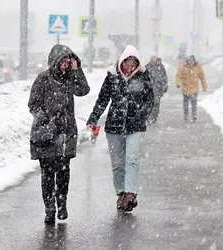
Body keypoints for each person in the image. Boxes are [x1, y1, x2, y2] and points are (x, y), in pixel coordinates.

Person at [86, 45, 154, 212]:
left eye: (133, 64)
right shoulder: (112, 77)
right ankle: (121, 193)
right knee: (117, 164)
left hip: (135, 126)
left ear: (137, 64)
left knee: (131, 160)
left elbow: (151, 100)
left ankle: (131, 193)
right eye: (127, 64)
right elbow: (102, 100)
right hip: (114, 127)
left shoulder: (143, 77)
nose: (130, 68)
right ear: (121, 62)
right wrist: (93, 119)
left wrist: (141, 114)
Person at [28, 44, 90, 224]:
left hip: (66, 132)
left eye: (67, 61)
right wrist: (45, 120)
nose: (64, 65)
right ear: (54, 61)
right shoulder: (43, 79)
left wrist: (77, 70)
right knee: (47, 174)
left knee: (63, 172)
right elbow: (33, 104)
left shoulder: (70, 79)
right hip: (46, 134)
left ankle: (62, 203)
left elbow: (84, 90)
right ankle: (49, 208)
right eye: (62, 61)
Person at [175, 55, 207, 122]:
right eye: (189, 61)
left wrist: (204, 86)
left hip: (194, 89)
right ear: (187, 61)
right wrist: (178, 83)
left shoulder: (198, 68)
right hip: (185, 89)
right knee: (185, 104)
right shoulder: (183, 67)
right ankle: (186, 115)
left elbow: (202, 78)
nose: (190, 63)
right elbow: (178, 76)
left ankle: (194, 115)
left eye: (192, 61)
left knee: (194, 102)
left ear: (194, 61)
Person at [145, 56, 168, 124]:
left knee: (156, 104)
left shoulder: (161, 66)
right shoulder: (147, 66)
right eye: (152, 58)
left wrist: (164, 86)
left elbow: (164, 76)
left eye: (155, 58)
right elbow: (143, 77)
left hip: (158, 88)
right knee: (149, 104)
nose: (154, 59)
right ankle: (149, 117)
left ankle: (154, 117)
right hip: (149, 89)